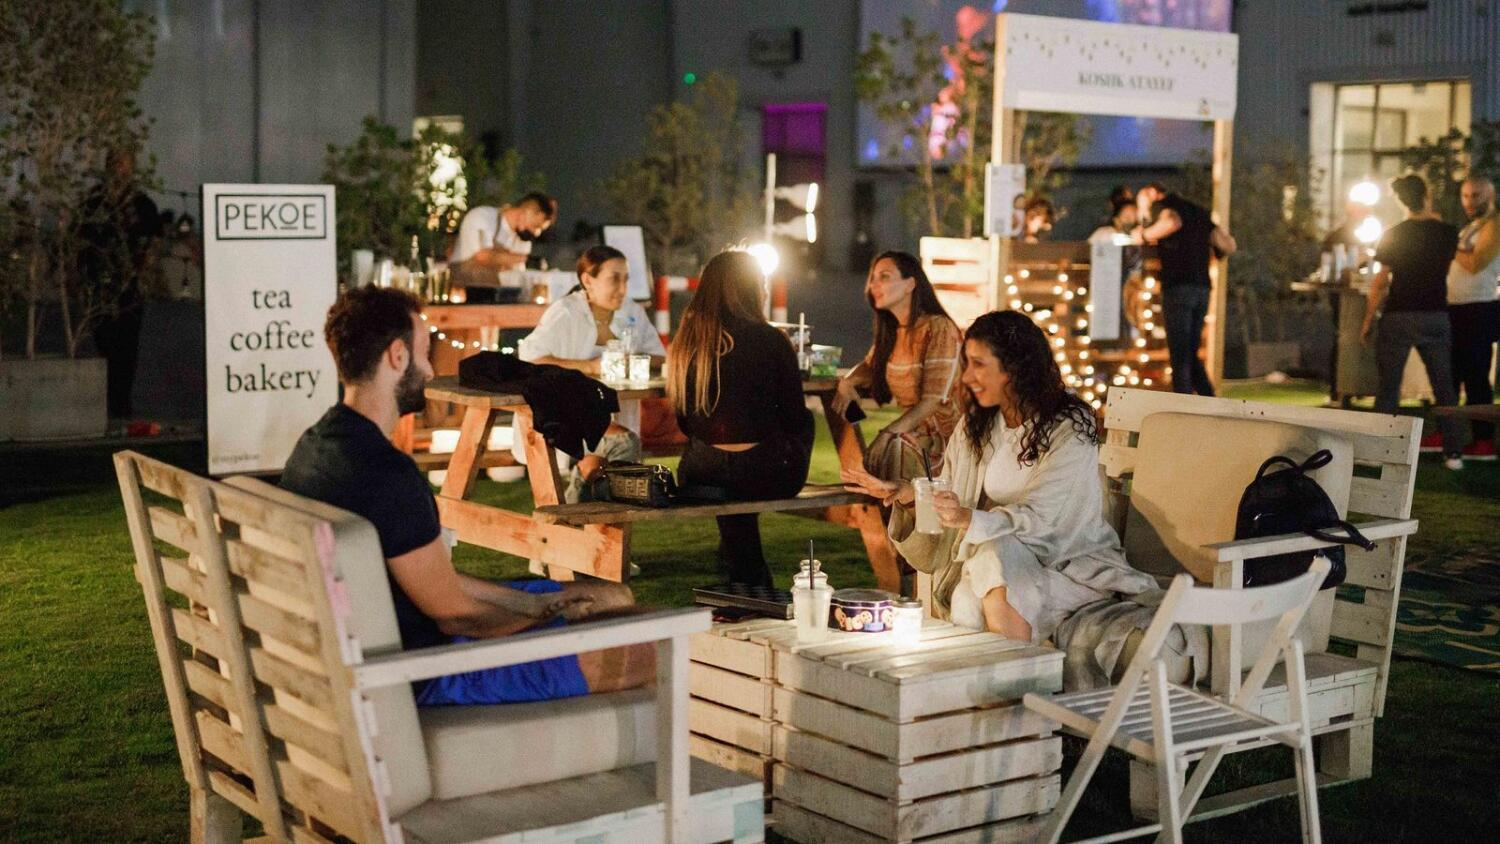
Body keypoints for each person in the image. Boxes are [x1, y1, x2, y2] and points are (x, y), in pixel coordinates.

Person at [280, 286, 652, 705]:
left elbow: (438, 584)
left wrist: (539, 604)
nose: (429, 369)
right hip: (421, 670)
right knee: (644, 647)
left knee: (611, 597)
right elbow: (456, 616)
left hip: (363, 644)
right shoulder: (388, 475)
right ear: (397, 356)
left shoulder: (314, 447)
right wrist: (549, 621)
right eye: (425, 353)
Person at [842, 312, 1194, 685]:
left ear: (1013, 368)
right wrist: (908, 494)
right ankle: (1012, 696)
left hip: (1068, 567)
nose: (966, 377)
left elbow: (1046, 517)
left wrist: (970, 520)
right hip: (1006, 568)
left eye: (978, 364)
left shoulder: (1069, 427)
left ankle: (1007, 694)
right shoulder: (977, 425)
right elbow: (951, 493)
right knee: (975, 581)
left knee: (978, 578)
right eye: (966, 364)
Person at [668, 250, 814, 587]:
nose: (765, 290)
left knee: (728, 479)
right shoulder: (772, 340)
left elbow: (686, 422)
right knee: (803, 426)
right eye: (761, 283)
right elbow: (793, 415)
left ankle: (745, 575)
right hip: (768, 472)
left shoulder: (687, 343)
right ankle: (749, 580)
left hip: (703, 474)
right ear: (749, 289)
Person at [518, 245, 667, 500]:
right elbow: (530, 358)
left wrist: (632, 361)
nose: (623, 288)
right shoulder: (566, 312)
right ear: (588, 280)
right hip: (567, 413)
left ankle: (582, 507)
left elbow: (659, 356)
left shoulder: (632, 311)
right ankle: (592, 505)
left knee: (605, 466)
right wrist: (589, 366)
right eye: (614, 279)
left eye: (626, 279)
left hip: (615, 410)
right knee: (622, 446)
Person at [1362, 173, 1467, 469]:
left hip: (1399, 314)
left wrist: (1368, 319)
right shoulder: (1447, 232)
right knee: (1444, 386)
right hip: (1435, 314)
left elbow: (1380, 282)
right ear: (1427, 196)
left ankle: (1378, 453)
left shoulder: (1394, 234)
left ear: (1401, 201)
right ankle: (1453, 452)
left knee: (1389, 387)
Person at [832, 251, 962, 483]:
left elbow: (933, 400)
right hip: (912, 435)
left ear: (910, 284)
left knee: (894, 448)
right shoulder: (894, 333)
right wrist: (847, 381)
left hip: (948, 442)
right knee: (876, 452)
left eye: (884, 277)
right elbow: (870, 366)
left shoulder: (939, 328)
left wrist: (887, 434)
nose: (874, 285)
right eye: (872, 278)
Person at [81, 149, 163, 419]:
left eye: (124, 163)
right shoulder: (93, 202)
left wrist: (143, 274)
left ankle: (121, 404)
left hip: (129, 285)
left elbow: (154, 240)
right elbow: (79, 238)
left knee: (127, 345)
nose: (119, 169)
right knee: (103, 340)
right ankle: (106, 401)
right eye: (114, 163)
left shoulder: (142, 204)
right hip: (98, 283)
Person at [1134, 182, 1236, 396]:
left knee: (1180, 353)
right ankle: (1209, 400)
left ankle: (1184, 402)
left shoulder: (1167, 207)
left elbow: (1172, 222)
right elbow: (1228, 244)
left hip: (1178, 286)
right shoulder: (1198, 211)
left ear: (1152, 193)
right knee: (1190, 351)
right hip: (1202, 287)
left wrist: (1143, 234)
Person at [1446, 176, 1500, 461]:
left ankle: (1483, 440)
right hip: (1456, 307)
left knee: (1476, 376)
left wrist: (1449, 246)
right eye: (1465, 195)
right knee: (1452, 374)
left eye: (1476, 195)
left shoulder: (1494, 225)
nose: (1469, 201)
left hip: (1478, 308)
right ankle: (1450, 433)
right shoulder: (1471, 228)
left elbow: (1476, 264)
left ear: (1491, 195)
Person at [449, 192, 558, 288]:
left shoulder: (523, 240)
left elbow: (517, 274)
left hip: (495, 295)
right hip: (461, 289)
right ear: (527, 212)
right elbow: (482, 256)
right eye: (536, 226)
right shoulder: (482, 216)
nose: (537, 233)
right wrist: (526, 260)